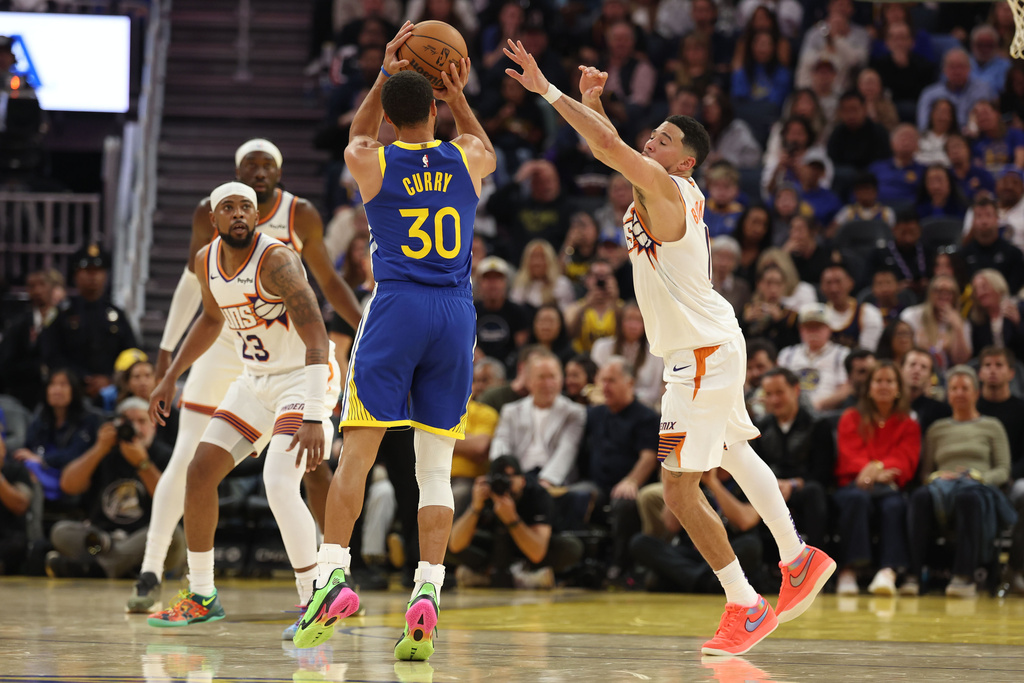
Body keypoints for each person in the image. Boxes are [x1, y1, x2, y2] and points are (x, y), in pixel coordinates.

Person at [503, 43, 834, 657]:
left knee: (679, 489)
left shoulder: (667, 186)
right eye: (651, 134)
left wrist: (548, 90)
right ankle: (798, 559)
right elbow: (610, 148)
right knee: (734, 452)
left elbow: (608, 148)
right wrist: (595, 102)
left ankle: (745, 604)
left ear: (685, 161)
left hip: (700, 354)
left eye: (663, 138)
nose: (651, 140)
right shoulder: (661, 183)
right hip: (711, 343)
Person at [293, 29, 496, 662]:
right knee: (434, 468)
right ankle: (428, 590)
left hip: (397, 306)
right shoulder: (466, 156)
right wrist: (458, 98)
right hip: (454, 313)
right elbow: (486, 147)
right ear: (434, 108)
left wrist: (382, 76)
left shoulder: (373, 161)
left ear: (389, 111)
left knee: (358, 455)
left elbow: (356, 136)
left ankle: (332, 577)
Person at [129, 136, 363, 615]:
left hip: (304, 377)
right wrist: (170, 374)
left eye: (246, 209)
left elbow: (317, 337)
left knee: (279, 482)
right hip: (256, 381)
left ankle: (314, 598)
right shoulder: (205, 261)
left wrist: (315, 415)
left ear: (257, 217)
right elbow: (210, 319)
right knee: (199, 471)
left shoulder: (278, 260)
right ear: (212, 220)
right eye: (229, 208)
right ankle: (202, 593)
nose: (238, 214)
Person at [906, 366, 1013, 598]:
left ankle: (964, 576)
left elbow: (1003, 469)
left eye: (965, 388)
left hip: (978, 487)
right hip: (941, 487)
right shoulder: (936, 429)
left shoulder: (992, 425)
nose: (959, 393)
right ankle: (913, 574)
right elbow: (926, 473)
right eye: (954, 388)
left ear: (976, 393)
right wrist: (936, 477)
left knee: (968, 497)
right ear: (948, 394)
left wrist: (978, 476)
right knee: (920, 496)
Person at [46, 397, 180, 579]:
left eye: (141, 421)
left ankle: (97, 569)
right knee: (61, 531)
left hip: (144, 539)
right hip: (104, 541)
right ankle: (125, 567)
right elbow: (68, 485)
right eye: (128, 422)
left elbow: (173, 503)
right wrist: (99, 448)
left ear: (153, 426)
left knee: (173, 534)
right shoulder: (106, 450)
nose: (135, 428)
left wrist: (143, 464)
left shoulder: (165, 455)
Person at [833, 361, 920, 596]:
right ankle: (849, 570)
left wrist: (875, 468)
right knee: (856, 500)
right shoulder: (851, 417)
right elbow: (849, 454)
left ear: (898, 388)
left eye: (889, 381)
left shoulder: (909, 424)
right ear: (869, 388)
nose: (883, 386)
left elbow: (906, 460)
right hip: (853, 485)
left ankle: (888, 571)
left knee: (894, 505)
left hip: (888, 487)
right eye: (878, 381)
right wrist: (873, 470)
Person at [578, 357, 659, 580]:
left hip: (631, 485)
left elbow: (649, 457)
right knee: (576, 495)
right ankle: (579, 566)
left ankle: (620, 566)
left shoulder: (647, 417)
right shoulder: (594, 415)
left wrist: (631, 481)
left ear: (629, 383)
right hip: (598, 484)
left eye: (611, 381)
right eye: (602, 381)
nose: (605, 387)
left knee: (624, 502)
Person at [448, 455, 584, 588]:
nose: (504, 483)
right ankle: (520, 578)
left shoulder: (537, 494)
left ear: (523, 480)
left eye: (510, 476)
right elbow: (455, 545)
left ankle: (486, 577)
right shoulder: (483, 493)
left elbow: (537, 553)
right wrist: (475, 508)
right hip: (492, 547)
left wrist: (512, 520)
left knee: (571, 547)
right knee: (443, 542)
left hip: (525, 552)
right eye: (498, 477)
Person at [40, 244, 138, 400]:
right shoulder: (62, 314)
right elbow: (51, 354)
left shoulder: (116, 314)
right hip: (70, 392)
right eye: (87, 271)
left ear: (105, 275)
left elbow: (131, 353)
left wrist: (110, 378)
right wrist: (81, 377)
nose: (93, 276)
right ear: (76, 275)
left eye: (98, 271)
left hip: (111, 392)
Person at [752, 368, 834, 550]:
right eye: (769, 394)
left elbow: (823, 473)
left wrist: (792, 484)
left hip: (804, 487)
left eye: (779, 392)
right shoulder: (759, 428)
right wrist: (774, 484)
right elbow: (756, 468)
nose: (774, 400)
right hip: (772, 487)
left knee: (814, 491)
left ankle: (816, 556)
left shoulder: (818, 425)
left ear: (796, 390)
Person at [489, 351, 586, 487]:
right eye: (541, 377)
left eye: (552, 377)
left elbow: (567, 450)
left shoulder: (574, 412)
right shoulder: (511, 411)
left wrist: (545, 483)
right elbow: (501, 443)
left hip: (554, 482)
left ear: (561, 379)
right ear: (529, 381)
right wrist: (505, 474)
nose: (548, 384)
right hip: (517, 477)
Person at [13, 369, 101, 501]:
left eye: (63, 384)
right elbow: (28, 447)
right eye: (52, 384)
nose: (57, 390)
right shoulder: (42, 417)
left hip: (71, 476)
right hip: (40, 471)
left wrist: (42, 459)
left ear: (74, 390)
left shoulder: (88, 419)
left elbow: (76, 453)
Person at [777, 304, 851, 412]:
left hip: (827, 413)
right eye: (809, 327)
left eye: (818, 327)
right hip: (792, 411)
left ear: (829, 328)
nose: (813, 332)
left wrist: (819, 405)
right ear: (801, 329)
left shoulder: (842, 354)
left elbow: (846, 389)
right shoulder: (787, 354)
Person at [0, 269, 56, 411]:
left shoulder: (66, 321)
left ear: (52, 287)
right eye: (32, 286)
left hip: (60, 394)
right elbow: (7, 364)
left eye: (42, 284)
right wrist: (38, 369)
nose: (37, 290)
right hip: (24, 397)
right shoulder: (18, 325)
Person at [820, 262, 883, 352]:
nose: (834, 289)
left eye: (838, 281)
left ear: (851, 283)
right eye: (828, 283)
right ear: (822, 287)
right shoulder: (817, 314)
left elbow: (867, 352)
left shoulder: (868, 313)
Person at [970, 269, 1024, 360]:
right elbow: (978, 353)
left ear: (997, 285)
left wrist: (1018, 323)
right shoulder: (977, 320)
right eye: (976, 290)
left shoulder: (1019, 308)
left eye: (984, 287)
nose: (980, 293)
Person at [0, 429, 32, 575]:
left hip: (8, 538)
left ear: (3, 450)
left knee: (17, 544)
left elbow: (20, 505)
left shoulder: (17, 470)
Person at [901, 347, 952, 436]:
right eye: (912, 364)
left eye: (923, 367)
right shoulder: (888, 406)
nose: (917, 370)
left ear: (930, 376)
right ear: (901, 369)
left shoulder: (941, 412)